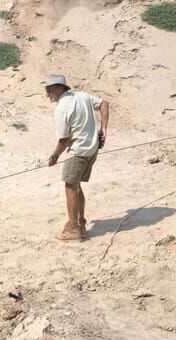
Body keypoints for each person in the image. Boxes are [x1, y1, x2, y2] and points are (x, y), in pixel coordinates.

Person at [45, 74, 109, 241]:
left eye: (50, 89)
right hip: (92, 150)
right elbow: (104, 104)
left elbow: (64, 140)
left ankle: (73, 229)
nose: (47, 94)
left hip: (78, 152)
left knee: (70, 188)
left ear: (60, 88)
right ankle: (80, 223)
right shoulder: (82, 96)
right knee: (76, 186)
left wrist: (55, 156)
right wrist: (104, 130)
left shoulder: (62, 108)